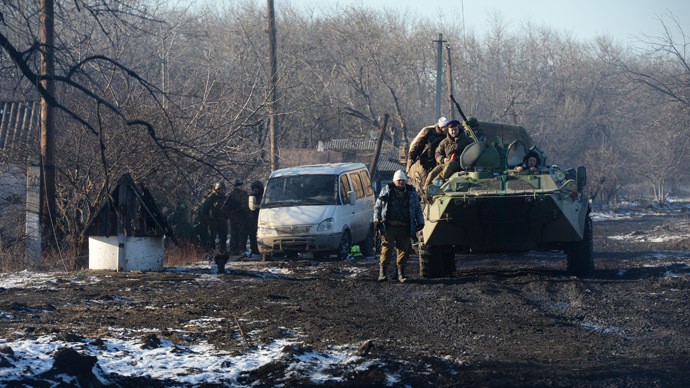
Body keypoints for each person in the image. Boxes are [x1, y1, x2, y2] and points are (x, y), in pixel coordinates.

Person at [374, 170, 424, 283]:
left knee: (404, 251)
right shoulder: (387, 191)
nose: (401, 183)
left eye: (403, 181)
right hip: (389, 227)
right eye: (399, 181)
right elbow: (378, 206)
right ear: (394, 181)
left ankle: (401, 274)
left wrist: (420, 221)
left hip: (405, 227)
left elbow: (417, 208)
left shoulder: (411, 192)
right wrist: (376, 220)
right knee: (386, 250)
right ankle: (382, 273)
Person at [425, 119, 474, 187]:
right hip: (446, 162)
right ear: (448, 130)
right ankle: (426, 191)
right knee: (432, 173)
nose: (454, 132)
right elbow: (438, 153)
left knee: (448, 168)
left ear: (458, 129)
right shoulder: (444, 142)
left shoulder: (467, 140)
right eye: (452, 130)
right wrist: (443, 159)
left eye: (455, 129)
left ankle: (436, 184)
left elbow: (474, 152)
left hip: (460, 163)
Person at [405, 117, 448, 190]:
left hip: (439, 162)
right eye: (445, 128)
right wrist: (411, 158)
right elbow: (416, 145)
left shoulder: (448, 136)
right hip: (425, 162)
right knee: (425, 183)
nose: (447, 130)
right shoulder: (428, 132)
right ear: (441, 127)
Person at [194, 182, 229, 254]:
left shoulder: (224, 198)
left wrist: (226, 216)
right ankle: (211, 252)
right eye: (221, 189)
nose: (222, 191)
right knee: (211, 238)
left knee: (223, 237)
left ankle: (222, 252)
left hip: (222, 220)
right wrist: (208, 219)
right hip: (213, 221)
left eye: (223, 190)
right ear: (217, 189)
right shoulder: (211, 197)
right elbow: (203, 209)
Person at [227, 178, 250, 256]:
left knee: (234, 234)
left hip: (232, 217)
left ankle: (233, 250)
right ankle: (241, 250)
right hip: (241, 216)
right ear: (241, 185)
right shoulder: (243, 194)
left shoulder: (231, 194)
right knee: (242, 233)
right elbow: (245, 206)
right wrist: (249, 215)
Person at [247, 180, 264, 255]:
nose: (255, 190)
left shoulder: (264, 196)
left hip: (262, 217)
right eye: (254, 188)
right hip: (253, 218)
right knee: (253, 234)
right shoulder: (251, 197)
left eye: (257, 188)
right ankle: (254, 250)